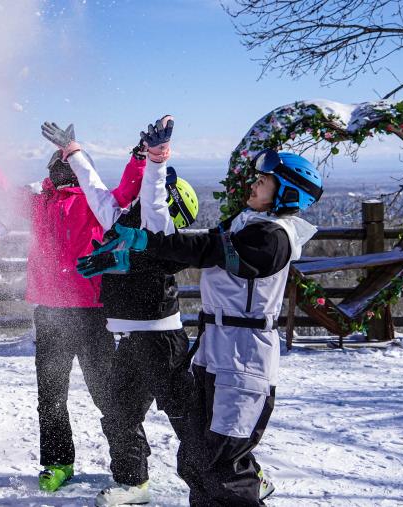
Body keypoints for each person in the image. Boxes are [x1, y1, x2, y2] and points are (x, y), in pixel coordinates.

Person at [86, 148, 322, 506]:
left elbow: (203, 249)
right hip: (216, 353)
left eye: (263, 181)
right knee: (196, 459)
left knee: (223, 468)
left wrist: (146, 238)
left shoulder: (273, 238)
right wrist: (124, 259)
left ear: (288, 193)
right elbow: (187, 255)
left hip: (244, 360)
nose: (254, 185)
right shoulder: (246, 224)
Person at [44, 116, 199, 505]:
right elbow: (94, 188)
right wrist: (72, 152)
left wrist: (157, 157)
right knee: (118, 414)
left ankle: (228, 474)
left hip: (162, 340)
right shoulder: (116, 219)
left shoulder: (158, 227)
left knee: (186, 417)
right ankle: (133, 483)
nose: (132, 201)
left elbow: (153, 195)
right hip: (127, 339)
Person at [0, 126, 144, 493]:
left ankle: (129, 467)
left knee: (107, 392)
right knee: (51, 393)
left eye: (66, 163)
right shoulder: (38, 203)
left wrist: (139, 157)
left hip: (92, 312)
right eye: (54, 165)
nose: (58, 171)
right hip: (49, 312)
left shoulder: (95, 200)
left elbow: (128, 191)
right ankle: (58, 462)